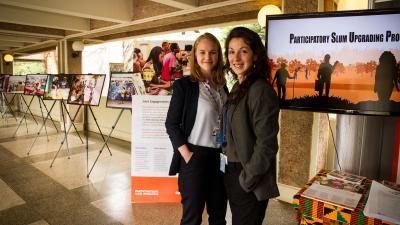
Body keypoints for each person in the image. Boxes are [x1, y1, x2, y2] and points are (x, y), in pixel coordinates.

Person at [165, 33, 228, 225]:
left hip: (220, 158)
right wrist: (187, 156)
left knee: (218, 216)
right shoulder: (185, 85)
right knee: (192, 219)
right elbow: (171, 124)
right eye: (202, 52)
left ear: (219, 56)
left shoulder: (223, 87)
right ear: (194, 55)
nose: (207, 57)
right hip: (195, 157)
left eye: (212, 52)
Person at [223, 26, 280, 225]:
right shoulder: (239, 86)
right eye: (231, 51)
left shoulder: (260, 90)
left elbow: (267, 145)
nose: (236, 58)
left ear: (255, 55)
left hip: (248, 177)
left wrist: (246, 181)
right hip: (233, 172)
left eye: (243, 51)